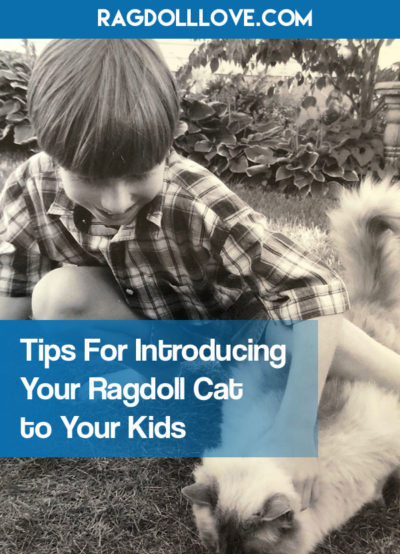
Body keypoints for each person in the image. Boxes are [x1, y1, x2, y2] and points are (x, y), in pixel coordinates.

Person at [0, 39, 399, 508]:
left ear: (170, 143)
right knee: (57, 295)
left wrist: (294, 432)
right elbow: (14, 299)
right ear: (46, 148)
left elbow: (314, 290)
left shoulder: (197, 199)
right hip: (168, 352)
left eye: (137, 175)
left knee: (305, 330)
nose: (114, 201)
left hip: (245, 339)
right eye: (89, 177)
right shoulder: (29, 186)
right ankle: (186, 404)